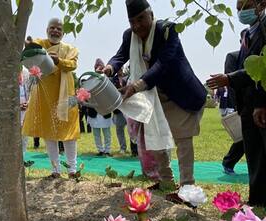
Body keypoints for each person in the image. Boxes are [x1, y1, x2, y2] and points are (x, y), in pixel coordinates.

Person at [101, 0, 206, 189]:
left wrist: (136, 86)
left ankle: (187, 186)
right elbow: (120, 56)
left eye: (141, 19)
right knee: (154, 138)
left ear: (151, 14)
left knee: (182, 140)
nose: (137, 26)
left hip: (178, 94)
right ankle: (166, 181)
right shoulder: (129, 35)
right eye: (132, 21)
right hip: (151, 96)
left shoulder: (167, 30)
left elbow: (163, 64)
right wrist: (108, 68)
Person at [207, 0, 266, 207]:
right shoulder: (248, 33)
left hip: (261, 105)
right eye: (238, 8)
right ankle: (257, 200)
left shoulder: (265, 28)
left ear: (261, 4)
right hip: (248, 106)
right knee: (254, 155)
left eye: (245, 6)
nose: (241, 12)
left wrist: (230, 79)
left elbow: (262, 69)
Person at [22, 18, 80, 178]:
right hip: (44, 95)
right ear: (47, 29)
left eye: (59, 29)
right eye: (52, 28)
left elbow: (73, 65)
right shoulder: (40, 43)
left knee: (69, 132)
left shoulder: (70, 49)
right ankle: (55, 170)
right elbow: (31, 49)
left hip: (65, 94)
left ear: (63, 32)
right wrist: (28, 44)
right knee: (49, 132)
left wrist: (58, 60)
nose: (55, 31)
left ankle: (72, 170)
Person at [219, 51, 245, 176]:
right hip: (243, 103)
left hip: (257, 100)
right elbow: (230, 83)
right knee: (244, 136)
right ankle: (228, 162)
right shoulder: (233, 56)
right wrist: (237, 105)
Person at [87, 59, 112, 156]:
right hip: (93, 111)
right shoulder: (90, 79)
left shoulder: (107, 79)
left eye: (101, 67)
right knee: (96, 133)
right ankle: (100, 150)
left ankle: (107, 150)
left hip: (105, 111)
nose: (99, 68)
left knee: (107, 133)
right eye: (97, 67)